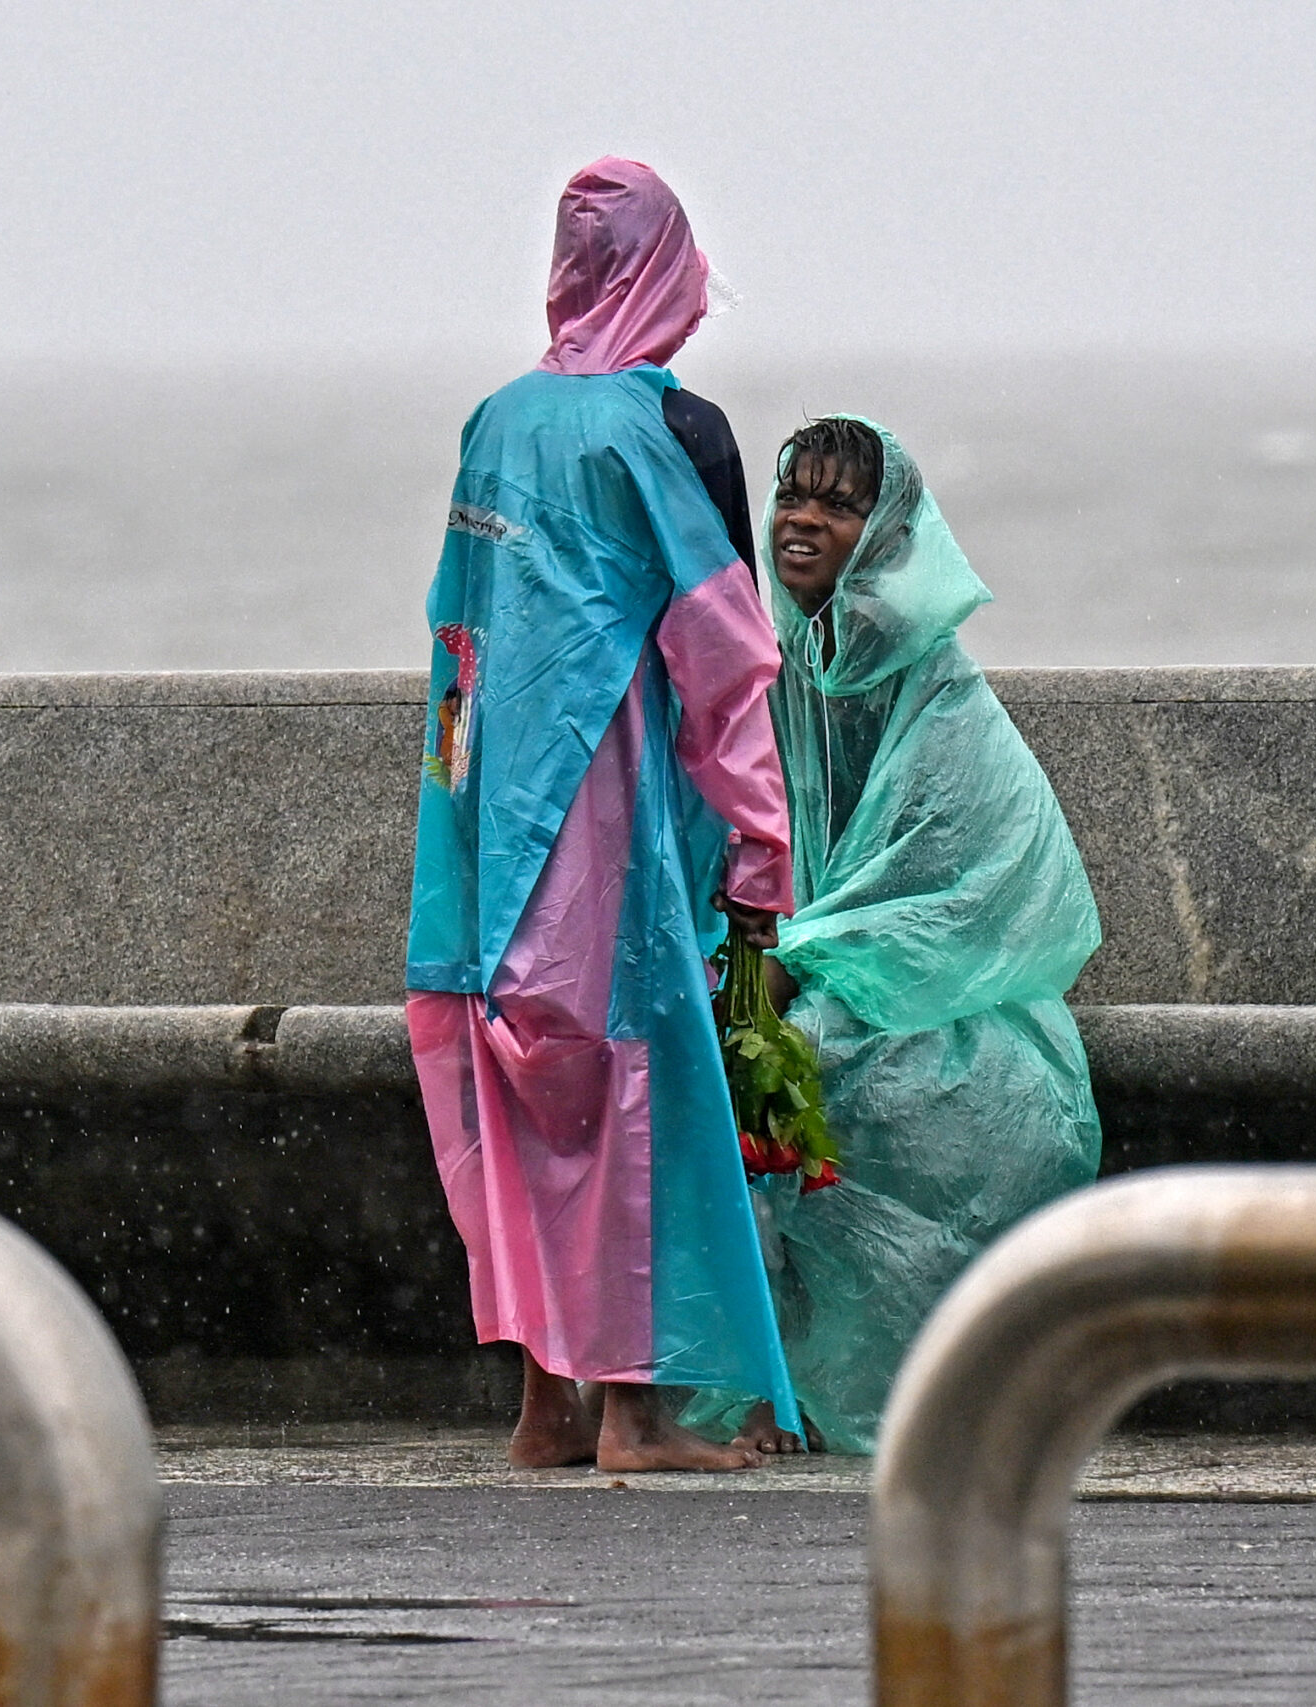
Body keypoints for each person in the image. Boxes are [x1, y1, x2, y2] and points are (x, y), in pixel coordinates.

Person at [405, 158, 802, 1473]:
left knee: (526, 1099)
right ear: (668, 271)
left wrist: (456, 814)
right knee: (640, 1081)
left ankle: (544, 1403)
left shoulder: (494, 424)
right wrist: (759, 841)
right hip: (616, 824)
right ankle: (636, 1411)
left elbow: (459, 635)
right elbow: (724, 650)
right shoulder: (671, 434)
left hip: (488, 820)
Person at [689, 416, 1103, 1455]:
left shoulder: (937, 683)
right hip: (800, 963)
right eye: (794, 497)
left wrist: (798, 964)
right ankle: (766, 1380)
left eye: (839, 506)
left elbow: (960, 877)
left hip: (942, 995)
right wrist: (748, 964)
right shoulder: (777, 662)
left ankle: (882, 1378)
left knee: (839, 1075)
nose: (804, 523)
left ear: (885, 535)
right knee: (715, 1065)